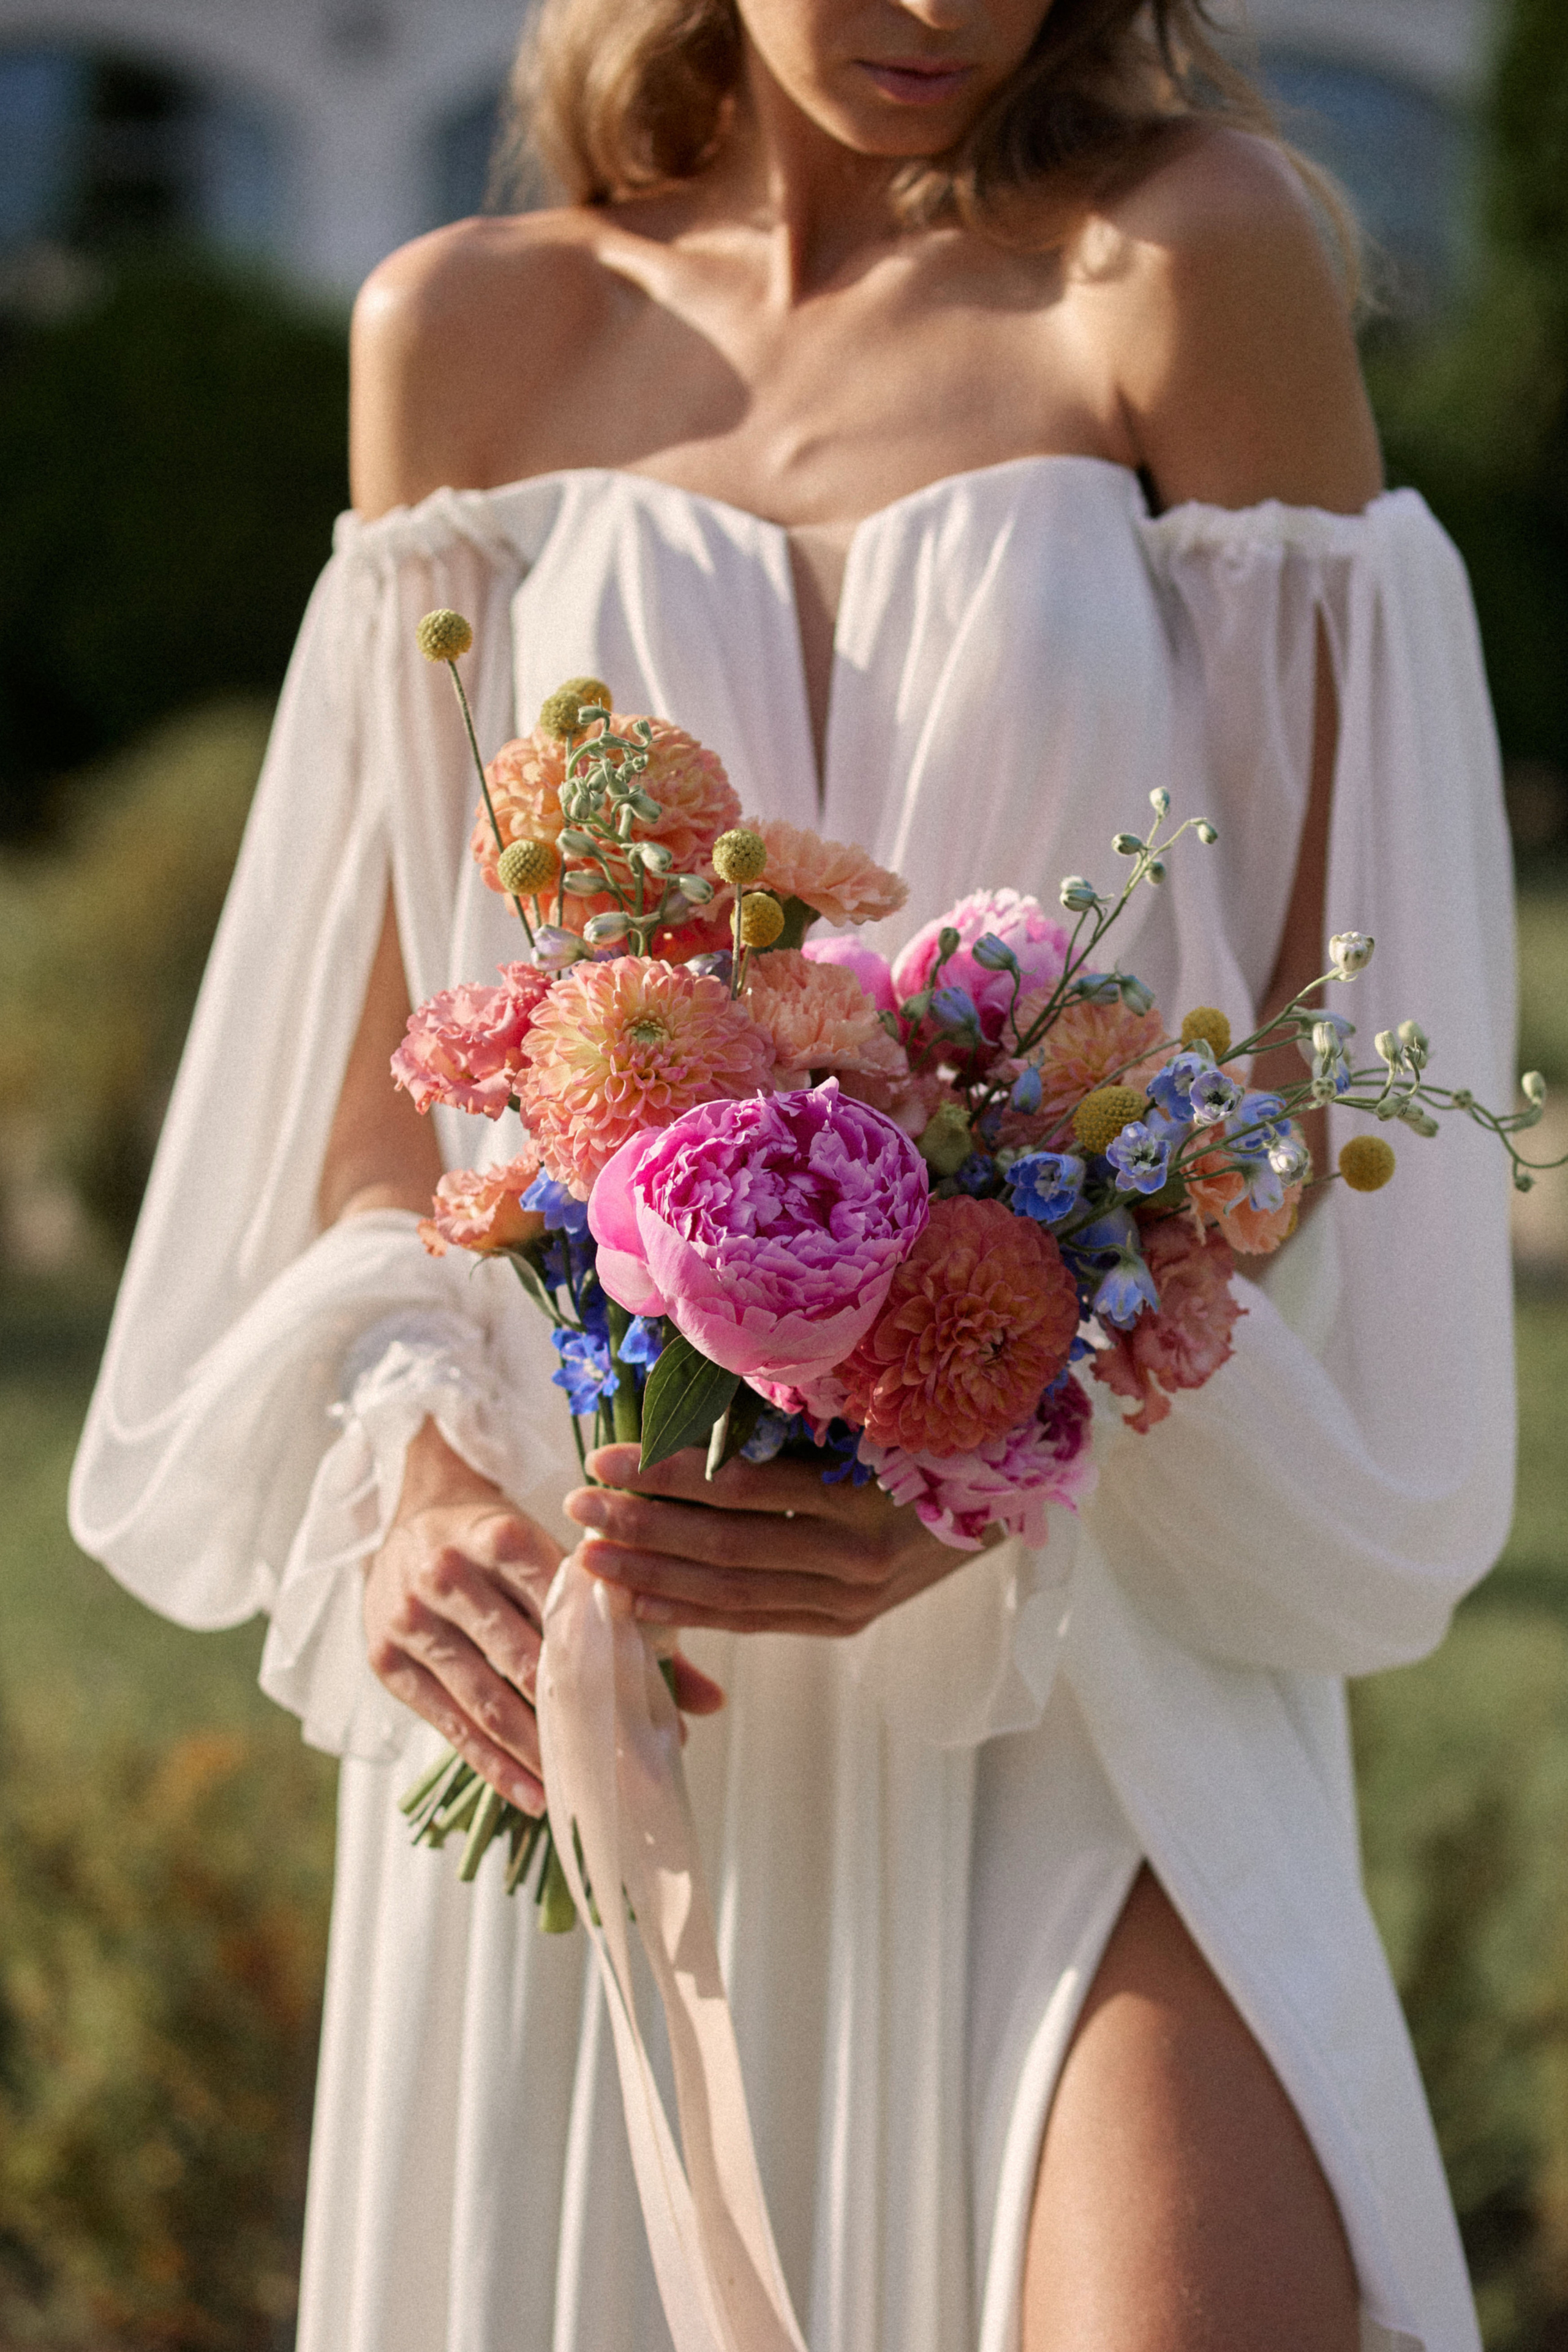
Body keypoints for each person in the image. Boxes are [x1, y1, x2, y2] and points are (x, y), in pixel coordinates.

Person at [69, 1, 1518, 2347]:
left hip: (1094, 1630)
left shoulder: (1180, 262)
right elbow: (387, 1095)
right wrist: (420, 1471)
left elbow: (1334, 1024)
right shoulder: (464, 329)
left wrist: (987, 1448)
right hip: (615, 1657)